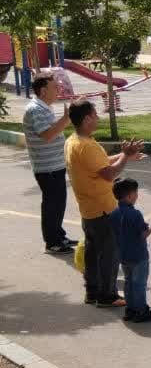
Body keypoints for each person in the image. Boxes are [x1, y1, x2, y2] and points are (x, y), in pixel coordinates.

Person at [65, 101, 145, 308]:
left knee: (93, 253)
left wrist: (124, 156)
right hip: (103, 209)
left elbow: (100, 163)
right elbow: (109, 174)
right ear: (86, 119)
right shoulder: (87, 146)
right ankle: (107, 296)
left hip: (89, 209)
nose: (98, 118)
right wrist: (125, 156)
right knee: (109, 255)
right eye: (95, 115)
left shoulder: (73, 141)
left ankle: (92, 292)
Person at [23, 76, 76, 254]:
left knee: (58, 204)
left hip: (54, 166)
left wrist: (66, 119)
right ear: (43, 91)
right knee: (52, 205)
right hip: (47, 168)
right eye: (54, 87)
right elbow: (47, 135)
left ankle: (59, 236)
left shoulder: (44, 108)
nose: (58, 90)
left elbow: (52, 131)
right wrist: (66, 119)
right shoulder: (35, 110)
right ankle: (52, 242)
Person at [109, 178, 151, 323]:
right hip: (139, 255)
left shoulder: (114, 214)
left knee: (128, 282)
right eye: (135, 193)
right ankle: (141, 311)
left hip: (124, 255)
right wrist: (150, 228)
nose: (137, 195)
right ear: (129, 196)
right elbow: (143, 233)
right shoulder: (135, 214)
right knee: (139, 284)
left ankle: (131, 309)